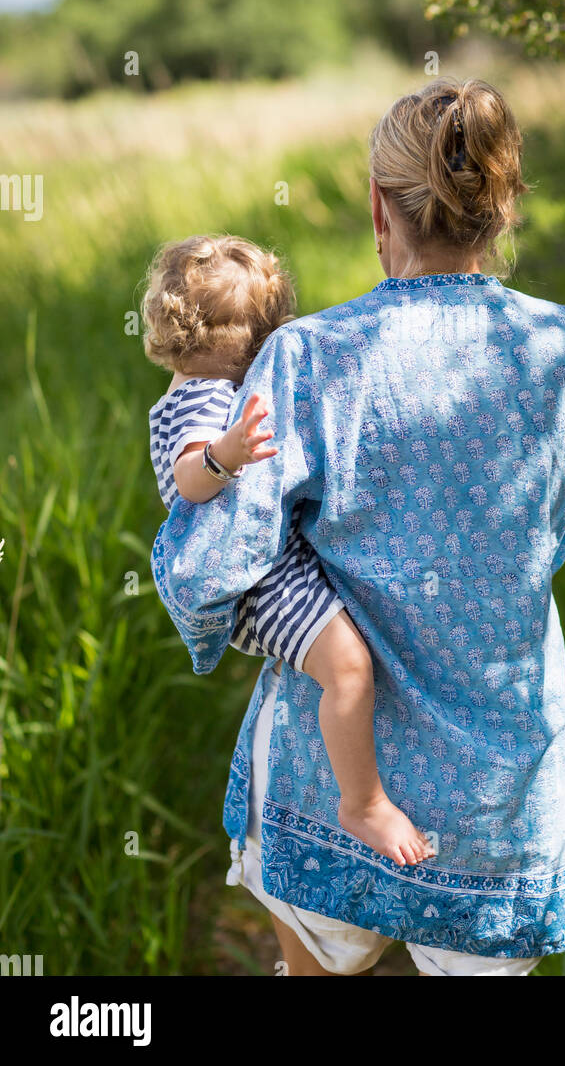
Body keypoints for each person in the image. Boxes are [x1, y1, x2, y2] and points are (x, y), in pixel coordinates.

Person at [151, 77, 565, 976]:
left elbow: (214, 562)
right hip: (501, 795)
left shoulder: (310, 355)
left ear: (376, 207)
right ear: (503, 206)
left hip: (326, 791)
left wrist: (207, 609)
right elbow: (553, 528)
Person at [143, 234, 433, 866]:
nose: (255, 344)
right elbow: (192, 476)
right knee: (348, 668)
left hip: (268, 559)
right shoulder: (201, 398)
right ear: (197, 338)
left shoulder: (214, 388)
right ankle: (362, 804)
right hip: (254, 579)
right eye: (245, 332)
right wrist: (229, 453)